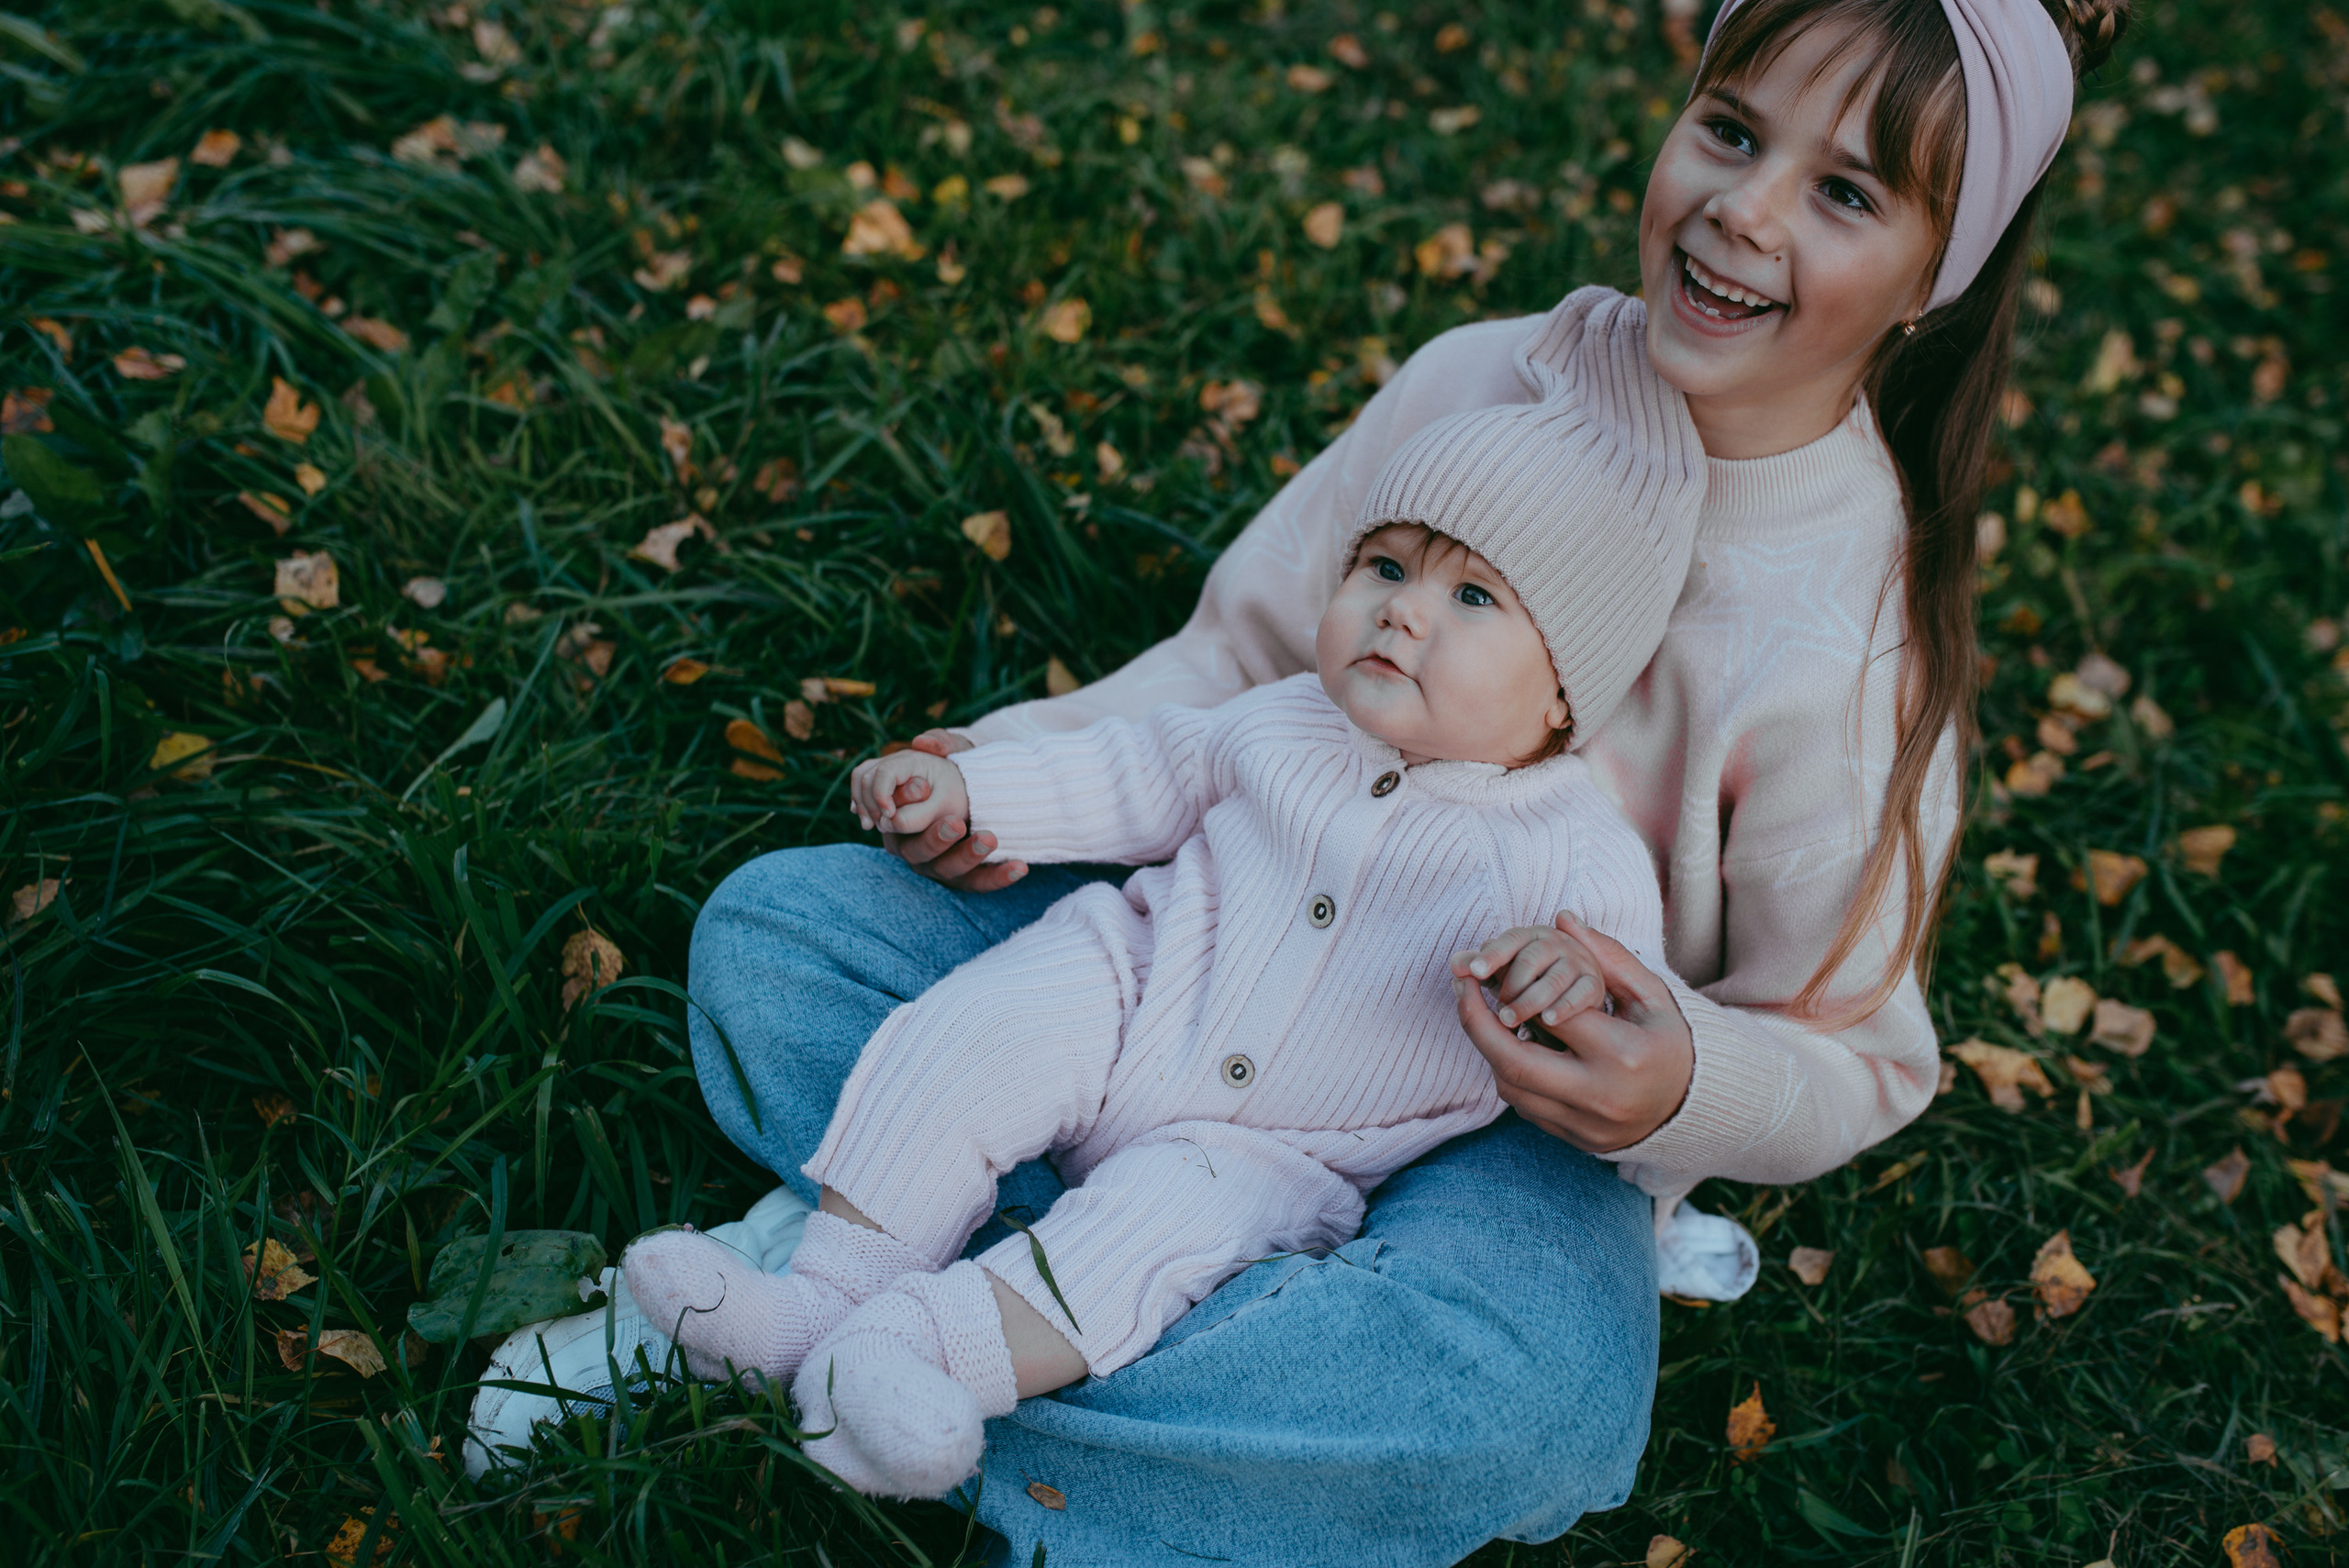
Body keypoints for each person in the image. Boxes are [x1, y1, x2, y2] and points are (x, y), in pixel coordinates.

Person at [470, 0, 2130, 1558]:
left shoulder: (1849, 646)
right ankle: (1031, 1323)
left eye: (1841, 191)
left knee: (1529, 1405)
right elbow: (1237, 662)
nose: (1742, 213)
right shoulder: (1486, 378)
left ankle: (875, 1284)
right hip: (1206, 949)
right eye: (1726, 129)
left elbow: (1858, 1054)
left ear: (1936, 275)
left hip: (1491, 1133)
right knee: (785, 934)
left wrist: (1674, 1079)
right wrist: (1010, 771)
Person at [618, 320, 1707, 1496]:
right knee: (967, 1037)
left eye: (1474, 594)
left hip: (1272, 1149)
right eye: (1384, 567)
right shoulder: (1283, 719)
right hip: (1131, 989)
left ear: (1562, 693)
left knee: (1140, 1239)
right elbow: (1129, 772)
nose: (1403, 611)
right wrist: (974, 783)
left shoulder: (1573, 849)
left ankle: (909, 1354)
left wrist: (1559, 980)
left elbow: (1606, 999)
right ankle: (818, 1295)